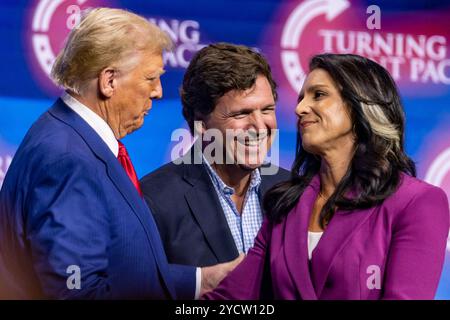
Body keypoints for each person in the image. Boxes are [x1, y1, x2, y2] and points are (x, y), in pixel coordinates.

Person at [0, 8, 239, 299]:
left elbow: (120, 270)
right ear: (109, 81)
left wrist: (203, 280)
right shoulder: (68, 160)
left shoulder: (74, 139)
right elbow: (78, 292)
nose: (159, 92)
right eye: (151, 78)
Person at [203, 53, 450, 300]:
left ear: (361, 105)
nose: (300, 109)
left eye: (318, 95)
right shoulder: (286, 204)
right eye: (300, 98)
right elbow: (231, 298)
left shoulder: (418, 202)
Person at [140, 43, 290, 268]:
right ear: (201, 124)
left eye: (267, 110)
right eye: (242, 113)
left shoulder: (293, 191)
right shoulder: (153, 200)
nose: (259, 126)